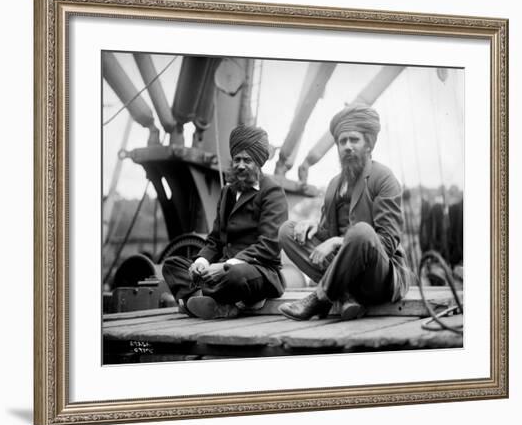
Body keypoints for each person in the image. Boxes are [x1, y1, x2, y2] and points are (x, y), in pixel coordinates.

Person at [278, 103, 416, 321]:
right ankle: (345, 295)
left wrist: (337, 241)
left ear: (368, 145)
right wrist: (314, 227)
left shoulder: (383, 178)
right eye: (343, 141)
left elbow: (387, 243)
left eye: (354, 140)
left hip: (379, 276)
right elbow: (325, 233)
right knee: (288, 230)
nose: (348, 146)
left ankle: (320, 299)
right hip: (347, 273)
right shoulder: (334, 185)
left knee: (362, 231)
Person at [162, 125, 289, 319]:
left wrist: (225, 266)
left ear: (259, 161)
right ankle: (216, 302)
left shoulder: (272, 192)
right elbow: (215, 240)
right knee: (172, 265)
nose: (240, 165)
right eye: (237, 159)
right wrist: (202, 262)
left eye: (247, 160)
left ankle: (196, 300)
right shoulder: (227, 192)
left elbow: (269, 246)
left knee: (235, 276)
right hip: (222, 267)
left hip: (258, 270)